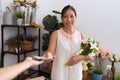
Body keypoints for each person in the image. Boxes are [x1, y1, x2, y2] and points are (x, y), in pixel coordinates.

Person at [44, 5, 90, 80]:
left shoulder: (81, 35)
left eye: (72, 16)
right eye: (65, 16)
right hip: (59, 75)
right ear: (62, 19)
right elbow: (50, 52)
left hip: (76, 75)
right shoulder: (56, 34)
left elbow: (89, 55)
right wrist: (48, 56)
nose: (69, 20)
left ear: (76, 18)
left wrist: (79, 58)